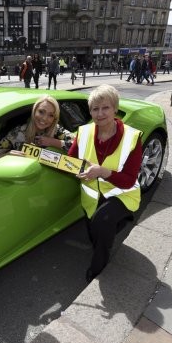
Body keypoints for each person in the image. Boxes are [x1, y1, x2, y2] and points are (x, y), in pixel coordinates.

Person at [67, 84, 143, 283]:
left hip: (122, 193)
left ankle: (98, 266)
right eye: (94, 109)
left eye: (105, 108)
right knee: (95, 231)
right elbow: (72, 161)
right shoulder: (83, 132)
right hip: (91, 194)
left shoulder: (132, 137)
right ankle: (108, 231)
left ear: (115, 108)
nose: (100, 114)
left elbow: (128, 180)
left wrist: (102, 172)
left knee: (102, 223)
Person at [0, 95, 73, 162]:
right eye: (41, 112)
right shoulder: (18, 132)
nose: (44, 118)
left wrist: (53, 142)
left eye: (51, 115)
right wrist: (6, 155)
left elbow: (79, 146)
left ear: (55, 118)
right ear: (34, 111)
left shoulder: (57, 130)